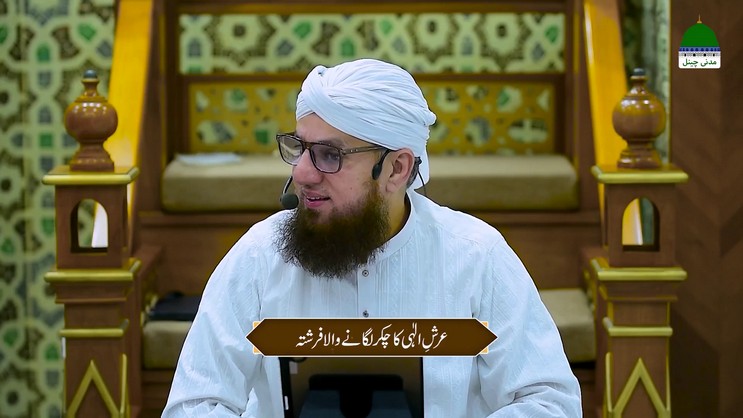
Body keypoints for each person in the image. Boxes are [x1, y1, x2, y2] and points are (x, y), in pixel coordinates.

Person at [163, 58, 581, 417]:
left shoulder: (477, 257)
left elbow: (549, 402)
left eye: (329, 155)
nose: (302, 173)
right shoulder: (260, 256)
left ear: (397, 168)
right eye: (299, 148)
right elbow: (194, 403)